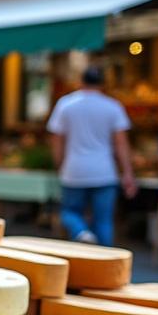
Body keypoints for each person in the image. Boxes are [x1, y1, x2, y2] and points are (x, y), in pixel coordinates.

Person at [46, 66, 137, 246]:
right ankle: (106, 267)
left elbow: (56, 141)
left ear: (81, 81)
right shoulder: (113, 106)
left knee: (69, 212)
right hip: (104, 171)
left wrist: (59, 164)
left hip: (74, 169)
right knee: (104, 220)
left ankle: (81, 232)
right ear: (103, 83)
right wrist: (128, 172)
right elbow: (121, 144)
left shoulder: (66, 104)